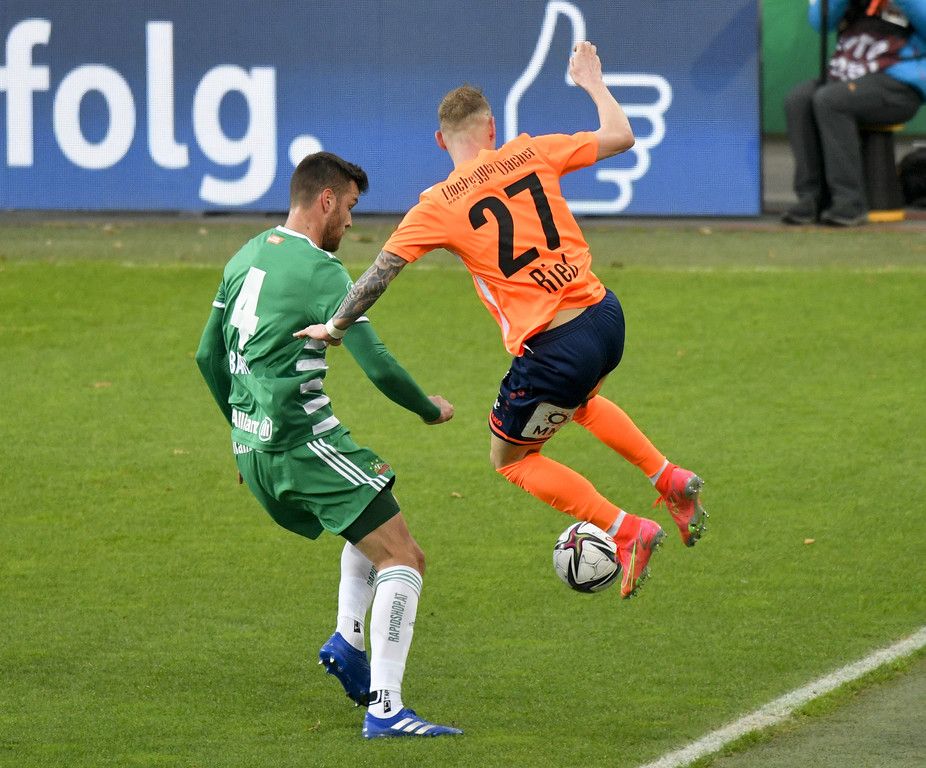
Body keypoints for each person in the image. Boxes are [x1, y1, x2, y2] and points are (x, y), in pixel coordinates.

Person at [297, 43, 708, 600]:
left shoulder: (438, 203)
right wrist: (591, 80)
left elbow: (379, 274)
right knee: (579, 402)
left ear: (441, 141)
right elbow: (621, 135)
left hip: (554, 345)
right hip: (605, 317)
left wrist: (335, 327)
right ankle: (669, 478)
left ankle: (627, 529)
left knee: (511, 458)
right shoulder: (531, 151)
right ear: (492, 128)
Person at [195, 151, 462, 739]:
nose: (350, 221)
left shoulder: (246, 255)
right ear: (325, 200)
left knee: (372, 502)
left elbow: (207, 355)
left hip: (255, 449)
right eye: (349, 207)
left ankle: (348, 637)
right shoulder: (322, 272)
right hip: (301, 446)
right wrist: (429, 409)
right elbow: (378, 364)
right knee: (404, 559)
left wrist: (239, 431)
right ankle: (386, 708)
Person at [783, 0, 926, 226]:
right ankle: (811, 198)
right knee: (799, 100)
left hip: (900, 85)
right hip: (847, 74)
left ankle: (849, 202)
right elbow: (820, 22)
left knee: (831, 100)